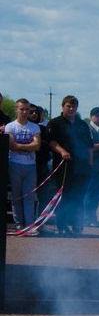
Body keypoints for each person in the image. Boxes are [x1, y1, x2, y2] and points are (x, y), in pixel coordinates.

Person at [46, 95, 94, 236]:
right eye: (69, 106)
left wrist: (90, 164)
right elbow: (51, 142)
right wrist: (62, 151)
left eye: (74, 106)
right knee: (64, 197)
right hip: (64, 167)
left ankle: (77, 226)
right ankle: (62, 226)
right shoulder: (55, 123)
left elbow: (89, 146)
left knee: (79, 197)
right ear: (63, 106)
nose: (71, 109)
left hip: (82, 167)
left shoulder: (82, 124)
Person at [5, 98, 41, 235]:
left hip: (30, 165)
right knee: (16, 196)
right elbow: (11, 145)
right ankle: (19, 224)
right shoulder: (10, 127)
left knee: (29, 196)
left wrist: (20, 146)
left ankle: (30, 225)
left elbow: (36, 146)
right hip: (14, 164)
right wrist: (28, 146)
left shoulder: (34, 127)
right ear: (16, 110)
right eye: (22, 109)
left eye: (27, 110)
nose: (25, 112)